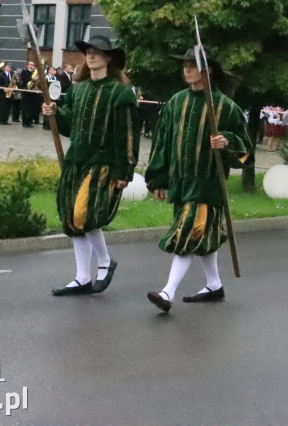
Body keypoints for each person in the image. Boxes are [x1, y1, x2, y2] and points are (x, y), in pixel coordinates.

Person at [145, 47, 252, 313]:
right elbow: (162, 143)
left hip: (207, 185)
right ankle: (214, 285)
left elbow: (246, 150)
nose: (186, 70)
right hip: (181, 184)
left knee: (188, 232)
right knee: (202, 238)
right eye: (185, 65)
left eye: (192, 65)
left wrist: (226, 142)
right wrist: (158, 179)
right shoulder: (175, 103)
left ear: (209, 70)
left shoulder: (226, 107)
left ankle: (167, 293)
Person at [41, 36, 139, 296]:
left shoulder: (119, 93)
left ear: (109, 58)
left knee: (83, 213)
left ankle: (105, 261)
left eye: (97, 52)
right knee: (72, 219)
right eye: (88, 52)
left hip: (103, 163)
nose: (91, 56)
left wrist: (124, 171)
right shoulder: (79, 89)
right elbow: (69, 123)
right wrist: (53, 113)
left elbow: (127, 135)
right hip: (77, 160)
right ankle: (82, 277)